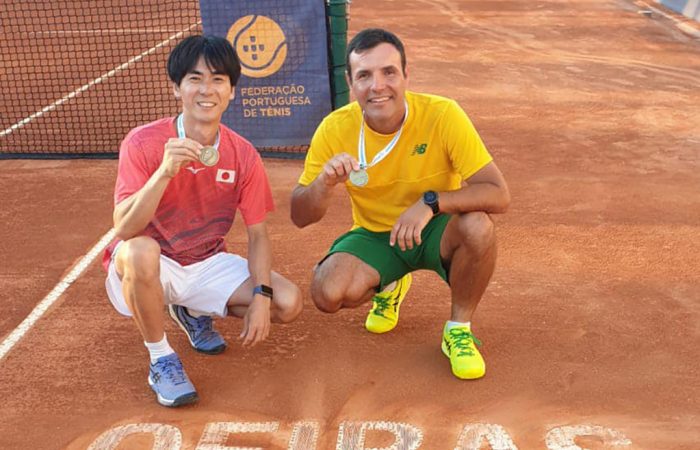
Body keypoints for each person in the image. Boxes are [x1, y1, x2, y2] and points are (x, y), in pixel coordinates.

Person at [290, 28, 510, 380]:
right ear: (350, 81)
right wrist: (323, 183)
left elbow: (498, 194)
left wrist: (431, 203)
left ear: (407, 75)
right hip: (377, 234)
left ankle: (458, 329)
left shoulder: (443, 115)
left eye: (388, 72)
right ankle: (390, 283)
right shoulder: (334, 128)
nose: (377, 86)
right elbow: (300, 215)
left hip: (436, 227)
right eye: (364, 75)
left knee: (478, 226)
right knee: (327, 293)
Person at [103, 35, 302, 407]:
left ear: (232, 92)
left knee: (286, 302)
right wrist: (164, 172)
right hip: (151, 264)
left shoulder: (242, 154)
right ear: (177, 87)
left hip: (206, 262)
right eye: (194, 78)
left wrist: (261, 297)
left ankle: (191, 310)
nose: (206, 89)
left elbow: (258, 233)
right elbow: (124, 229)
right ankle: (161, 357)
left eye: (217, 79)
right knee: (140, 250)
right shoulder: (143, 143)